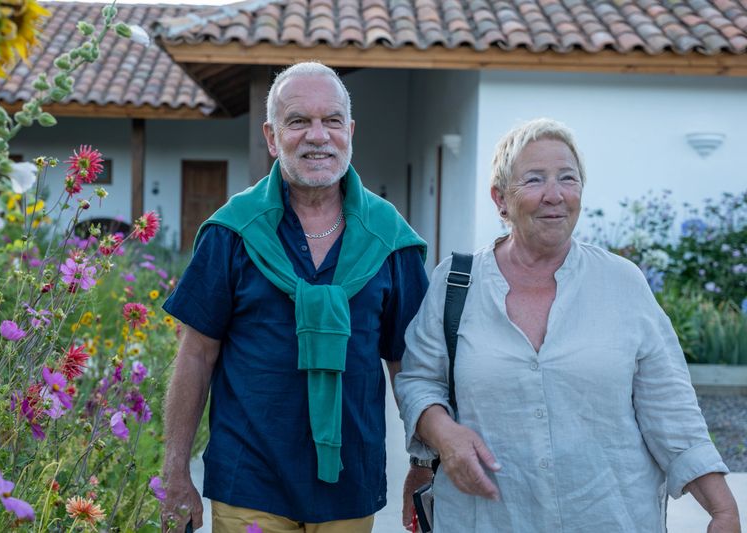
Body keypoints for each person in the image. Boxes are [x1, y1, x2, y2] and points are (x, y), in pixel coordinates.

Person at [395, 118, 742, 532]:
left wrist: (723, 510)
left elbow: (671, 410)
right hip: (491, 519)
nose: (555, 195)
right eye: (535, 180)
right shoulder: (456, 283)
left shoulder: (622, 283)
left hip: (611, 517)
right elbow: (418, 380)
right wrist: (445, 436)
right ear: (500, 198)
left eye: (568, 178)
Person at [160, 61, 429, 533]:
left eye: (331, 121)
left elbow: (408, 366)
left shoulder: (390, 239)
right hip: (249, 480)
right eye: (298, 121)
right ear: (272, 136)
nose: (317, 136)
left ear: (350, 131)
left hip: (350, 483)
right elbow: (196, 355)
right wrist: (175, 469)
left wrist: (422, 462)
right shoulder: (232, 232)